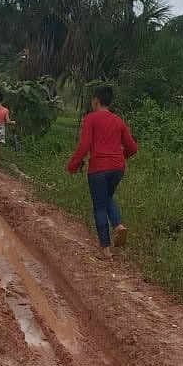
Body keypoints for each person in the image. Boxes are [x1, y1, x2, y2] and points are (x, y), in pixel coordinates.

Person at [67, 85, 138, 260]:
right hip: (117, 168)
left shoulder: (91, 119)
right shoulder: (118, 121)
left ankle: (105, 250)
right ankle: (118, 225)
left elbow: (84, 146)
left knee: (99, 206)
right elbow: (132, 147)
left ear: (96, 101)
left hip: (98, 168)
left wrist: (73, 165)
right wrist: (118, 157)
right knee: (107, 197)